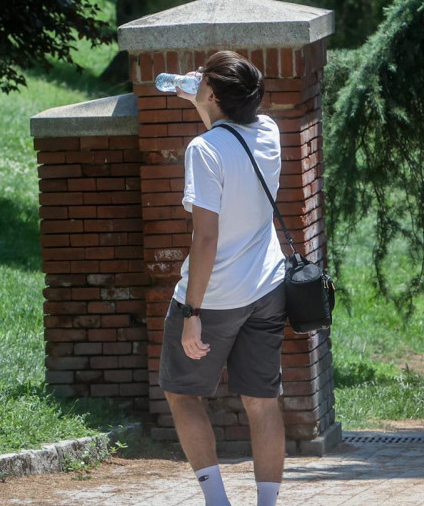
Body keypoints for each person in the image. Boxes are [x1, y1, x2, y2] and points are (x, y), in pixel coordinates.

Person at [159, 50, 287, 506]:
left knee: (182, 394)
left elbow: (206, 239)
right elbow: (229, 132)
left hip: (215, 295)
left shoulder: (203, 150)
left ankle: (217, 502)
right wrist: (205, 101)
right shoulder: (269, 131)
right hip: (268, 287)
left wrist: (192, 312)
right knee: (262, 401)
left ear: (211, 92)